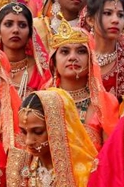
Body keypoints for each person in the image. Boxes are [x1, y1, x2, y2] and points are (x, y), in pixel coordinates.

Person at [43, 16, 119, 149]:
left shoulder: (105, 103)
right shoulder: (43, 100)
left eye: (81, 51)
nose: (73, 57)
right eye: (65, 52)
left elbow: (110, 154)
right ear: (53, 62)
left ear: (91, 59)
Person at [0, 2, 51, 98]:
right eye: (8, 24)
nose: (15, 30)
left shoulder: (41, 71)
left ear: (30, 33)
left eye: (22, 25)